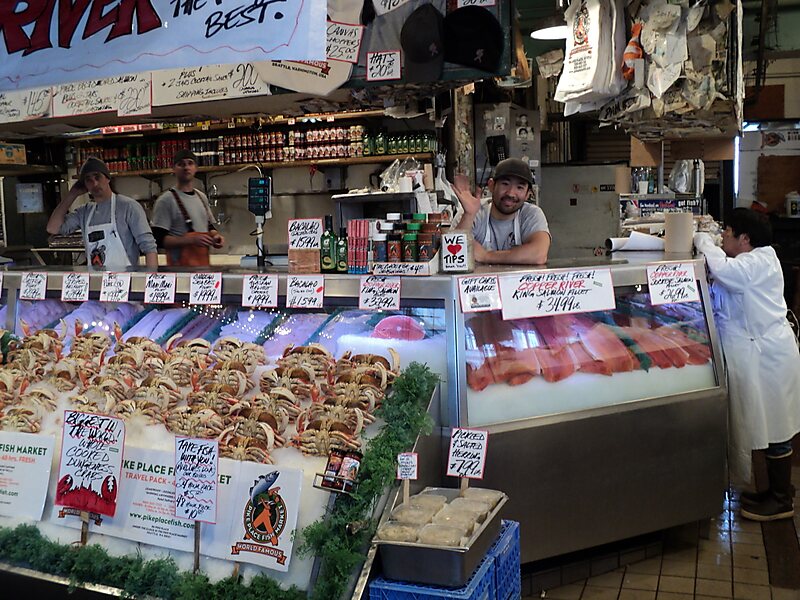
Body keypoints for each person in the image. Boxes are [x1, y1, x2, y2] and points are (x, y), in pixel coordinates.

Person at [694, 208, 800, 521]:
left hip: (770, 357)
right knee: (770, 425)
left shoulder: (756, 263)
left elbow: (724, 271)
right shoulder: (753, 259)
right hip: (765, 354)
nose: (722, 237)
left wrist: (702, 240)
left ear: (744, 239)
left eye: (726, 232)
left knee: (776, 427)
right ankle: (775, 491)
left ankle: (781, 500)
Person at [47, 157, 158, 269]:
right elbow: (52, 228)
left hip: (124, 282)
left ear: (107, 178)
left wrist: (151, 281)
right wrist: (72, 194)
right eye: (88, 179)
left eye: (97, 177)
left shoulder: (128, 207)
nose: (94, 183)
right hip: (96, 283)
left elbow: (149, 247)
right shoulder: (84, 212)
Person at [452, 158, 550, 264]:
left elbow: (538, 254)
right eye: (505, 184)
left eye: (520, 187)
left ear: (527, 195)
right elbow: (454, 254)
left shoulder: (531, 214)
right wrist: (469, 215)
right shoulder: (474, 212)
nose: (511, 193)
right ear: (491, 186)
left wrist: (486, 256)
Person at [151, 149, 224, 267]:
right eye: (181, 164)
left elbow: (209, 226)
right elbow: (158, 240)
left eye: (190, 163)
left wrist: (216, 236)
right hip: (179, 272)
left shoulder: (202, 197)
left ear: (196, 168)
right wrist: (191, 240)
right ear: (173, 169)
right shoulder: (165, 200)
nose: (186, 167)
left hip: (202, 270)